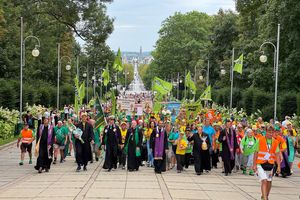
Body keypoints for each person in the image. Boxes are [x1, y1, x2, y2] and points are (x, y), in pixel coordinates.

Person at [253, 125, 280, 200]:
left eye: (272, 132)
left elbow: (277, 155)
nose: (270, 134)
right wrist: (254, 165)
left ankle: (265, 196)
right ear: (266, 132)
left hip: (270, 165)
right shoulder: (260, 140)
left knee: (269, 181)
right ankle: (265, 198)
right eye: (269, 132)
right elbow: (256, 153)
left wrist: (279, 166)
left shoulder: (275, 142)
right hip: (260, 164)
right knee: (264, 180)